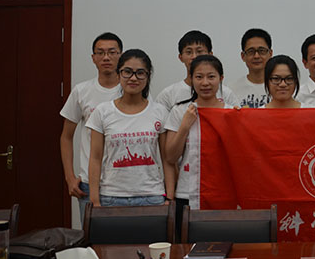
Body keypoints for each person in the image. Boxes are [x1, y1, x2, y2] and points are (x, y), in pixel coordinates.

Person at [87, 49, 173, 207]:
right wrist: (94, 200)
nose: (133, 78)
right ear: (118, 74)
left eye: (140, 73)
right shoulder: (102, 111)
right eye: (127, 72)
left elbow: (167, 159)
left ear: (148, 77)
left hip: (152, 197)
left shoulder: (160, 111)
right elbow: (95, 158)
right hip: (111, 197)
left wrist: (170, 198)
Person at [59, 32, 123, 222]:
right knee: (93, 237)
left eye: (112, 52)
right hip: (88, 183)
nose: (106, 57)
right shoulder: (82, 91)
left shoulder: (131, 89)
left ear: (121, 55)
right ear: (93, 58)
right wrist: (70, 177)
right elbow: (66, 136)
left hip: (123, 185)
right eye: (100, 52)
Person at [163, 55, 227, 239]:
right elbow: (170, 157)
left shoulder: (230, 112)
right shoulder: (180, 111)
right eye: (199, 77)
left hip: (221, 193)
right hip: (187, 193)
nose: (205, 83)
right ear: (191, 79)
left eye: (211, 77)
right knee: (187, 247)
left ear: (221, 78)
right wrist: (185, 126)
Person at [156, 30, 239, 110]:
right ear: (180, 57)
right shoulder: (168, 95)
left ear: (210, 55)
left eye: (199, 51)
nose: (194, 56)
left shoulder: (226, 93)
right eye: (189, 52)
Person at [230, 28, 273, 108]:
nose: (256, 56)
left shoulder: (281, 87)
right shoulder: (231, 90)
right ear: (243, 56)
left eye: (261, 51)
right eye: (251, 51)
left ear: (270, 54)